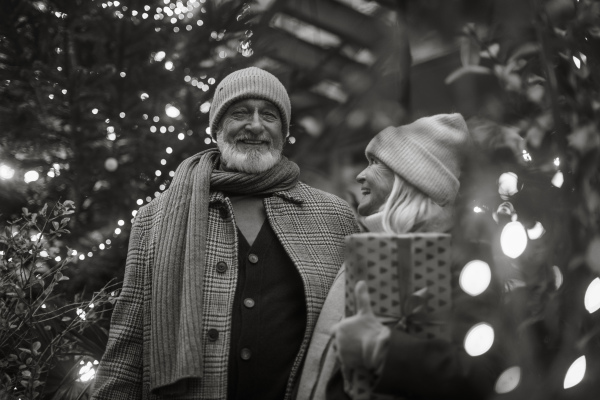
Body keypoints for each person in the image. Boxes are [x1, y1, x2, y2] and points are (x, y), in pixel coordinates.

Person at [91, 67, 359, 400]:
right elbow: (127, 345)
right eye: (240, 113)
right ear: (217, 128)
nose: (256, 125)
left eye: (270, 116)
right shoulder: (155, 218)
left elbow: (358, 334)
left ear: (283, 131)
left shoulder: (337, 218)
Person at [296, 114, 503, 399]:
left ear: (410, 178)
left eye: (376, 163)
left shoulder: (463, 262)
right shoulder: (366, 247)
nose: (360, 175)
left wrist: (383, 346)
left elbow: (481, 373)